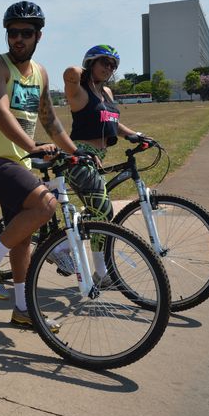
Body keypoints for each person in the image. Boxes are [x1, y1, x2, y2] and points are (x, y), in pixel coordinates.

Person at [0, 1, 81, 332]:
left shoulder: (41, 74)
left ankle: (22, 310)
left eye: (26, 33)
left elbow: (49, 119)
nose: (18, 39)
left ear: (39, 36)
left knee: (22, 237)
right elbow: (0, 111)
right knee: (46, 204)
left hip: (18, 163)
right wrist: (31, 147)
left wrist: (78, 153)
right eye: (13, 32)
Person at [56, 45, 154, 282]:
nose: (109, 68)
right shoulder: (78, 90)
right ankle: (61, 248)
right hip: (77, 156)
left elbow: (112, 122)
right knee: (103, 211)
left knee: (100, 212)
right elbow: (69, 72)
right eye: (104, 63)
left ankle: (100, 272)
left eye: (113, 65)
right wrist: (88, 68)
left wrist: (135, 135)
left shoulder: (107, 93)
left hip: (98, 158)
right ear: (91, 63)